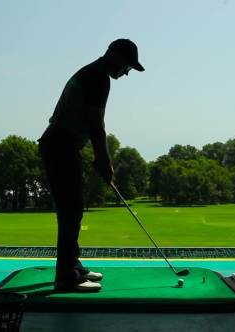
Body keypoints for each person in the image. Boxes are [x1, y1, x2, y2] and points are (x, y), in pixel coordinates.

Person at [37, 39, 145, 292]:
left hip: (62, 145)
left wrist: (101, 161)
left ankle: (72, 265)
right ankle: (66, 276)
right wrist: (105, 163)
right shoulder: (98, 78)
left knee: (73, 207)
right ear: (116, 58)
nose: (126, 73)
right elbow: (97, 126)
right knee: (70, 210)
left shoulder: (93, 73)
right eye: (128, 67)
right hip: (60, 145)